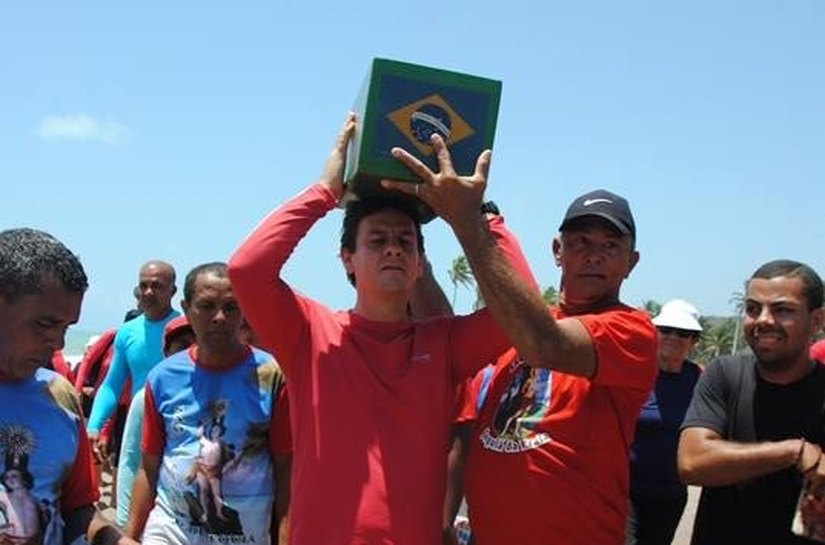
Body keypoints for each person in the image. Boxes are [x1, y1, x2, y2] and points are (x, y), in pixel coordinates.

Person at [227, 113, 515, 545]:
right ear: (347, 259)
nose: (394, 249)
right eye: (377, 240)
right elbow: (246, 269)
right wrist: (324, 192)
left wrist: (480, 217)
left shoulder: (443, 343)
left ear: (419, 264)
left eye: (405, 242)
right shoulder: (309, 331)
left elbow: (519, 307)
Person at [385, 137, 658, 545]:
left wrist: (468, 221)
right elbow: (444, 333)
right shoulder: (520, 319)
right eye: (580, 242)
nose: (593, 255)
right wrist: (411, 252)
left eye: (610, 246)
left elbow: (544, 344)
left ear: (631, 262)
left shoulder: (632, 330)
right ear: (557, 251)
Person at [126, 262, 291, 545]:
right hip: (169, 532)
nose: (219, 317)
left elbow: (286, 468)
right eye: (206, 306)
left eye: (231, 307)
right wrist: (129, 535)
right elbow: (148, 467)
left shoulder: (271, 376)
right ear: (187, 308)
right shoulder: (163, 378)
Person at [0, 227, 136, 545]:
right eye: (45, 324)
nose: (58, 342)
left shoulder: (58, 396)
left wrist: (116, 541)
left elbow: (77, 511)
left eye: (66, 327)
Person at [678, 259, 825, 545]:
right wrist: (794, 452)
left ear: (816, 320)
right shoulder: (725, 375)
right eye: (753, 309)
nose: (763, 320)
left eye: (782, 310)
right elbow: (692, 462)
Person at [87, 260, 180, 504]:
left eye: (157, 286)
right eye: (144, 286)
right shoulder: (127, 332)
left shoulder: (184, 329)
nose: (149, 292)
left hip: (178, 424)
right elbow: (112, 384)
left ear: (173, 291)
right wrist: (95, 425)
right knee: (129, 499)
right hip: (138, 423)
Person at [626, 299, 703, 545]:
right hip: (626, 491)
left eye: (683, 333)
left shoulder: (700, 381)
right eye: (666, 330)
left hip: (670, 495)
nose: (673, 337)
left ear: (694, 341)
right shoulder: (632, 372)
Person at [114, 315, 195, 527]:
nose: (190, 352)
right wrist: (125, 522)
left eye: (197, 343)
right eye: (182, 346)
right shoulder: (147, 397)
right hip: (161, 519)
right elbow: (130, 461)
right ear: (166, 353)